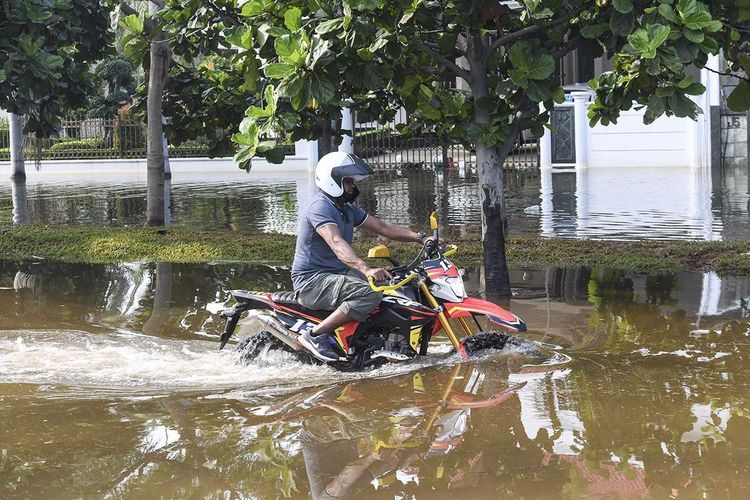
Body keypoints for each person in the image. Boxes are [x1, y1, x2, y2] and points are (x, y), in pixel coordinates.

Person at [292, 152, 429, 362]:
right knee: (369, 293)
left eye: (352, 181)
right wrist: (366, 269)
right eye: (348, 181)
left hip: (337, 274)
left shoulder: (346, 208)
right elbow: (336, 243)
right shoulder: (320, 207)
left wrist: (421, 238)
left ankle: (373, 341)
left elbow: (382, 226)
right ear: (333, 181)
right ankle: (315, 336)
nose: (352, 187)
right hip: (312, 281)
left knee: (396, 285)